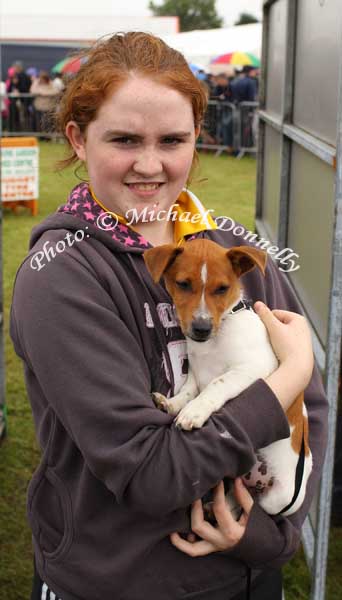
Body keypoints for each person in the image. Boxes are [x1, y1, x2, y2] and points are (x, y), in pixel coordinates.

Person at [9, 32, 327, 600]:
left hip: (247, 578)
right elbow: (151, 473)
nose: (150, 165)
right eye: (125, 139)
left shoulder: (237, 251)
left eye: (173, 139)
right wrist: (288, 374)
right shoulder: (60, 276)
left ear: (196, 138)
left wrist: (269, 537)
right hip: (123, 580)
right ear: (79, 139)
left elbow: (315, 412)